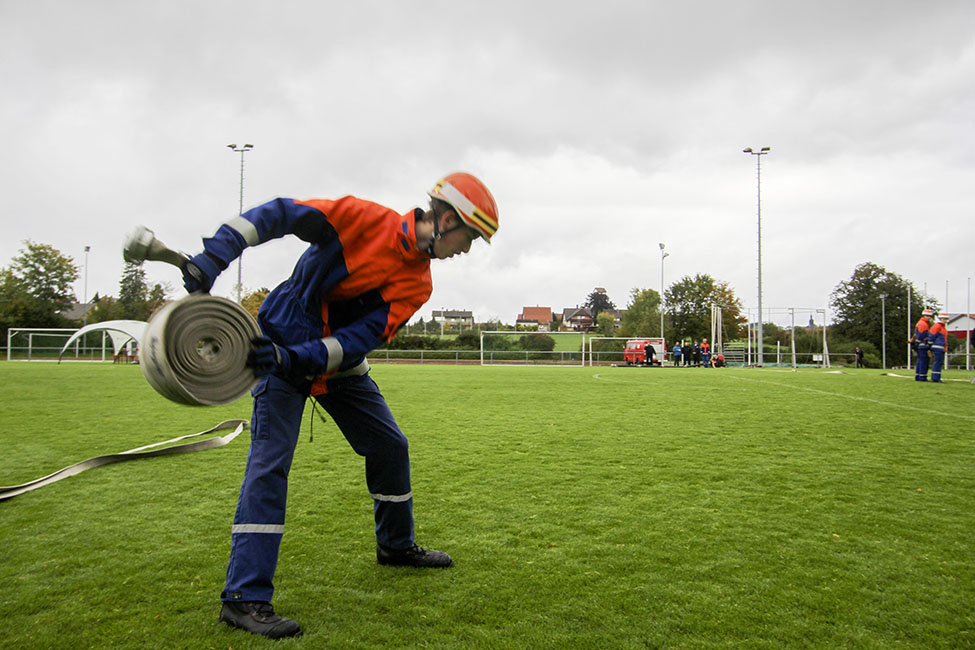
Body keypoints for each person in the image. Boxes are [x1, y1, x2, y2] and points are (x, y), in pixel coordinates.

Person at [180, 172, 499, 639]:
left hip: (328, 363)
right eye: (469, 237)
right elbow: (279, 214)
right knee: (270, 466)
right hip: (278, 352)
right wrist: (215, 255)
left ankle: (395, 546)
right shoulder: (360, 219)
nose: (466, 250)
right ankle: (243, 598)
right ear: (446, 219)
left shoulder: (419, 286)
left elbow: (354, 342)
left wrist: (299, 357)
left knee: (390, 446)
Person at [910, 308, 934, 381]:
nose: (929, 317)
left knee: (920, 360)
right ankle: (922, 376)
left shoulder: (920, 322)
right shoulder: (923, 324)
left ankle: (918, 376)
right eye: (927, 316)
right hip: (922, 344)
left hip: (919, 344)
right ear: (924, 315)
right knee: (924, 361)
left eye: (930, 316)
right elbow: (921, 335)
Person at [929, 312, 949, 383]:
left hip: (940, 347)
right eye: (945, 319)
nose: (946, 320)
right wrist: (930, 346)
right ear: (941, 319)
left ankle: (936, 377)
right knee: (938, 362)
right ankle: (935, 378)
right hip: (938, 348)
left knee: (939, 363)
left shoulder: (941, 327)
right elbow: (931, 336)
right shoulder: (938, 326)